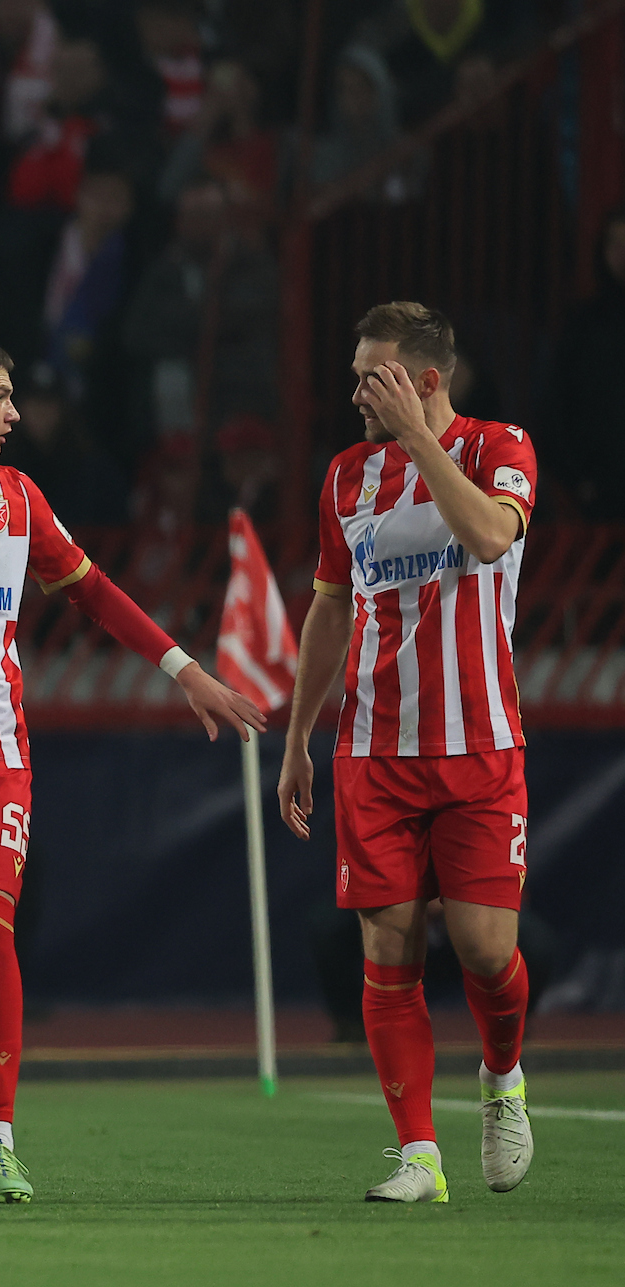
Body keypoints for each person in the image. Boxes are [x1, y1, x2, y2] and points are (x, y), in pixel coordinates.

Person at [0, 328, 262, 1204]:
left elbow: (92, 589)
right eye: (0, 395)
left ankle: (2, 1138)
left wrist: (188, 672)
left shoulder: (19, 498)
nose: (16, 413)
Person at [277, 302, 538, 1204]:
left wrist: (420, 442)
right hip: (374, 749)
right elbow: (330, 605)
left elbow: (491, 536)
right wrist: (301, 735)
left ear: (426, 382)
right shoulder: (347, 478)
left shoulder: (499, 447)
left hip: (479, 747)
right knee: (386, 949)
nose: (355, 393)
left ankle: (502, 1077)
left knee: (481, 949)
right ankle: (419, 1154)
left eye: (373, 377)